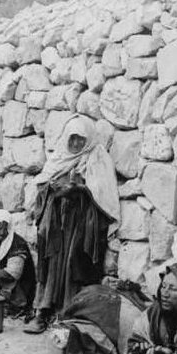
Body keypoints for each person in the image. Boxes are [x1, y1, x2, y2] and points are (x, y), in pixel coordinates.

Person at [23, 114, 120, 334]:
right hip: (55, 223)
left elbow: (104, 196)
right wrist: (51, 190)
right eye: (72, 139)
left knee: (73, 267)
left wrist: (79, 190)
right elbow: (41, 184)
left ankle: (66, 317)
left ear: (89, 139)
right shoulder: (59, 157)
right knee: (50, 266)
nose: (76, 144)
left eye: (80, 139)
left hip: (81, 226)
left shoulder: (97, 157)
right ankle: (42, 312)